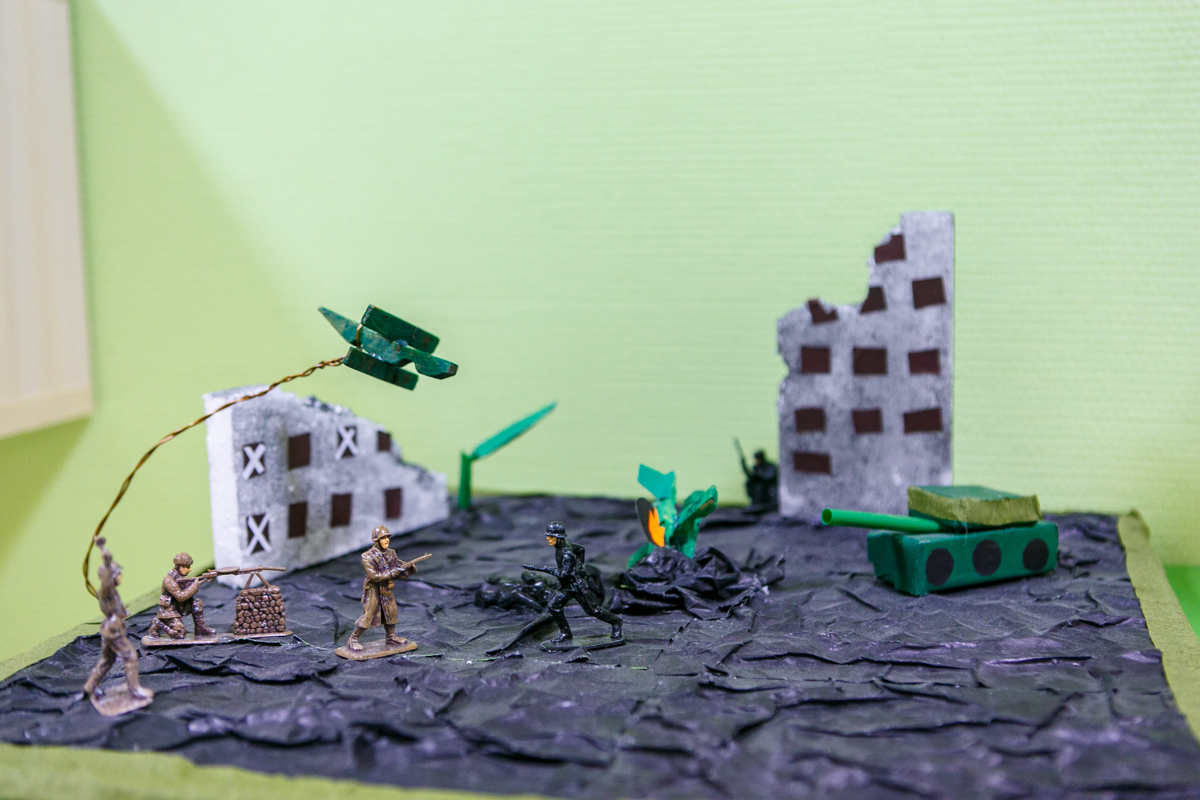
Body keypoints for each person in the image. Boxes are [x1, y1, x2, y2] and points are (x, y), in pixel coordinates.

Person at [524, 521, 622, 643]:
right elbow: (581, 549)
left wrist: (544, 569)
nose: (548, 538)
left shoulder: (566, 554)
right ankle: (565, 633)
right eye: (548, 536)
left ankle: (616, 622)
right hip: (566, 585)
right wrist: (580, 566)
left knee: (593, 610)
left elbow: (564, 574)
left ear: (559, 538)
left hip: (575, 586)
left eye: (551, 536)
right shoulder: (562, 546)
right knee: (554, 606)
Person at [82, 538, 151, 703]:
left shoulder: (110, 593)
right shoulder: (107, 590)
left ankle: (90, 687)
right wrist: (103, 551)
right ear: (111, 577)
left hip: (109, 629)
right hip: (114, 631)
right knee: (130, 657)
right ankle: (134, 690)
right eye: (118, 573)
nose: (121, 576)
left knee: (107, 660)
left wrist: (121, 611)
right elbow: (106, 573)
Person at [347, 525, 415, 652]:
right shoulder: (367, 556)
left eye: (387, 537)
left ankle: (390, 637)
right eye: (383, 538)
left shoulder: (391, 553)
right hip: (373, 589)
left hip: (386, 588)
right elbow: (373, 576)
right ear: (376, 541)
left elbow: (398, 567)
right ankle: (353, 639)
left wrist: (409, 568)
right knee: (369, 614)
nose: (386, 540)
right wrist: (391, 573)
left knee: (391, 611)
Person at [147, 552, 216, 639]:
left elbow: (185, 585)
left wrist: (201, 580)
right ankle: (158, 623)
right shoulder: (168, 580)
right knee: (179, 634)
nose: (190, 570)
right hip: (169, 610)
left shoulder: (178, 577)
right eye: (187, 567)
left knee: (197, 603)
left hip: (180, 606)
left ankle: (200, 628)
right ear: (181, 567)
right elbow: (181, 596)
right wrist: (195, 585)